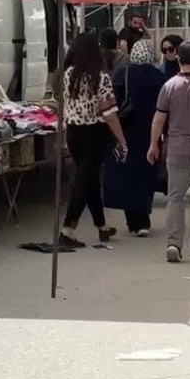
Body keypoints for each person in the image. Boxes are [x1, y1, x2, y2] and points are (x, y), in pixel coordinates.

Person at [147, 41, 190, 263]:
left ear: (178, 59)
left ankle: (174, 243)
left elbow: (159, 119)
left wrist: (153, 145)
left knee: (176, 197)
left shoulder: (169, 86)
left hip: (177, 148)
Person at [60, 33, 129, 248]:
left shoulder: (67, 75)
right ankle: (67, 229)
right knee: (83, 180)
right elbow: (109, 113)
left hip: (73, 132)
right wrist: (122, 139)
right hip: (94, 133)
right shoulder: (101, 77)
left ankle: (101, 226)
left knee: (88, 179)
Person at [107, 40, 166, 237]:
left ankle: (134, 221)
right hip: (150, 134)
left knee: (128, 175)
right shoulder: (159, 77)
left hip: (126, 131)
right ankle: (143, 220)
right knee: (145, 176)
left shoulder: (122, 73)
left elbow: (112, 102)